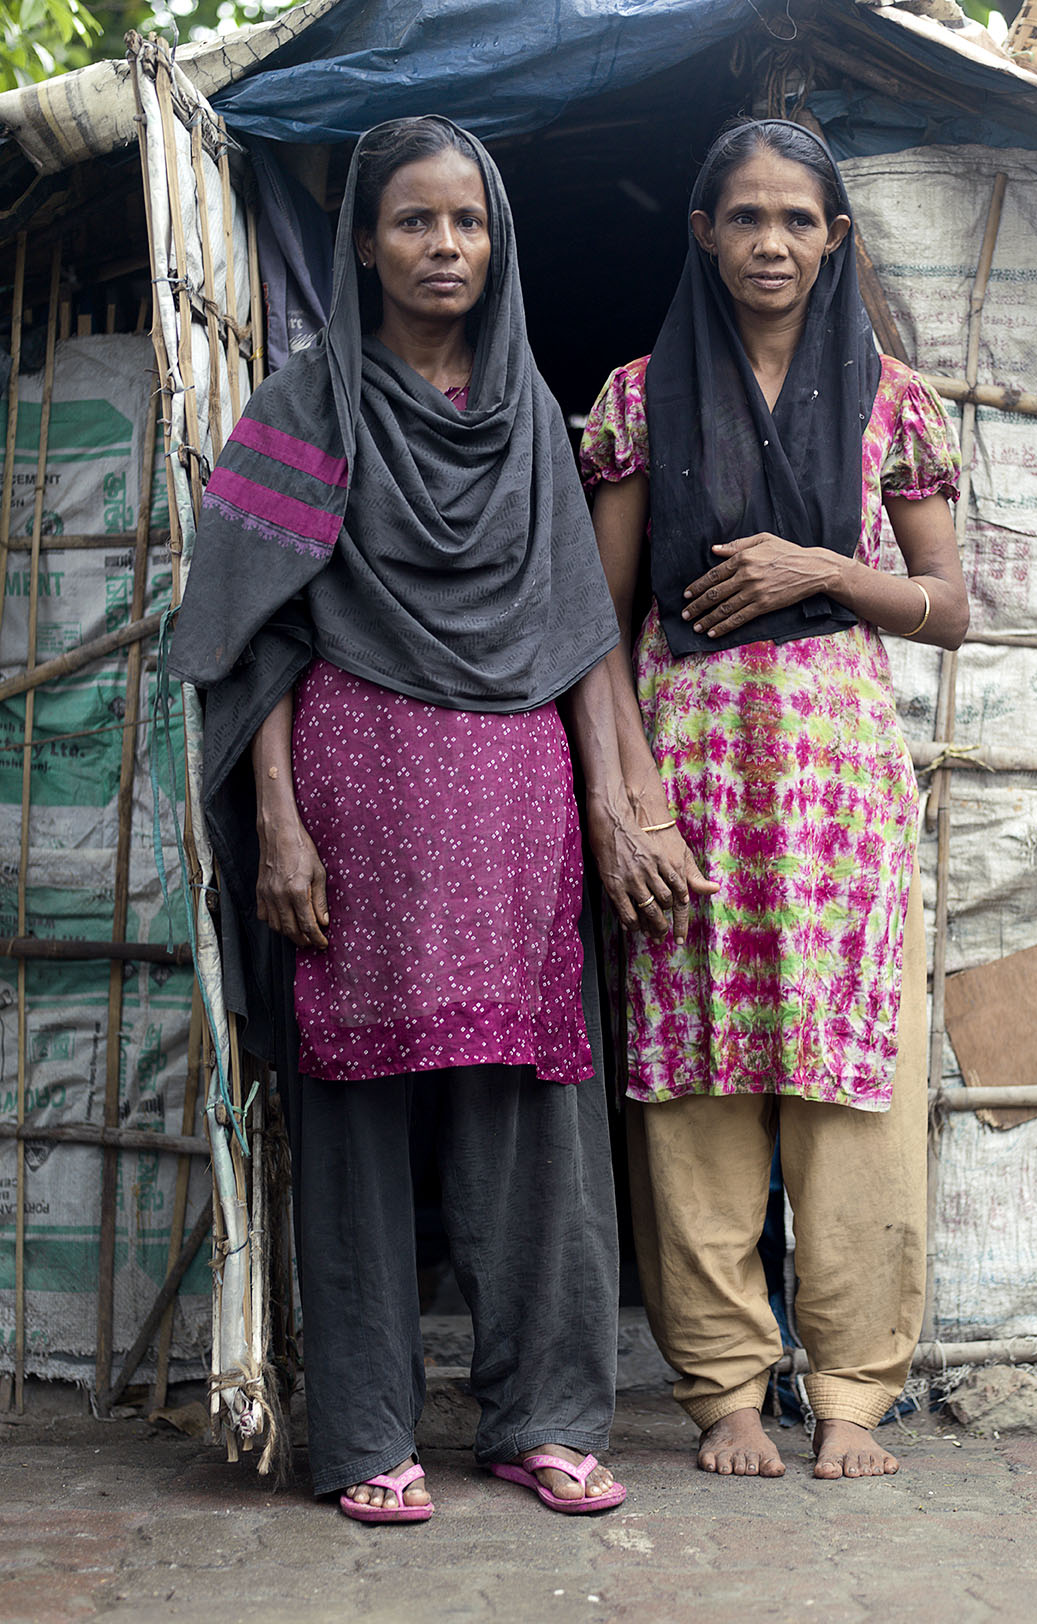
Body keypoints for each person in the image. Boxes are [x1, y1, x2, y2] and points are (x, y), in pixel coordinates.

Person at [169, 117, 628, 1522]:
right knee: (356, 1117)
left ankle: (542, 1418)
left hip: (515, 808)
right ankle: (369, 1432)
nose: (444, 247)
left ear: (498, 244)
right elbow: (253, 634)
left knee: (531, 1115)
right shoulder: (305, 407)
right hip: (352, 813)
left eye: (468, 222)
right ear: (364, 242)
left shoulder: (531, 419)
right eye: (415, 221)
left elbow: (576, 627)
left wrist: (618, 801)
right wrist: (279, 822)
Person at [578, 117, 968, 1482]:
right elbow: (598, 625)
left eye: (797, 220)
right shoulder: (637, 398)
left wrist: (824, 569)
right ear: (703, 234)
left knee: (852, 1093)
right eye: (743, 217)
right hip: (690, 782)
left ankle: (853, 1388)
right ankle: (723, 1388)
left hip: (839, 798)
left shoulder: (893, 401)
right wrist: (632, 803)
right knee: (693, 1090)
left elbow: (948, 607)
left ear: (834, 237)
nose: (770, 243)